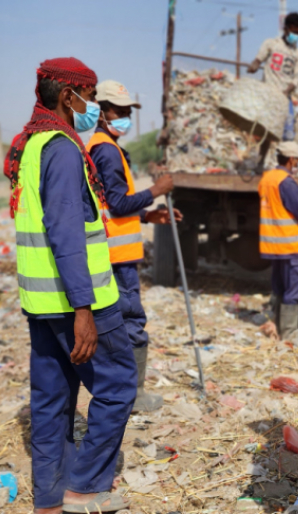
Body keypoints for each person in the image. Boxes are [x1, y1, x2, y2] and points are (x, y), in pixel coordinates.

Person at [5, 58, 136, 514]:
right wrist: (83, 308)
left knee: (51, 402)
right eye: (91, 95)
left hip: (41, 302)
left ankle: (50, 500)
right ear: (68, 96)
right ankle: (84, 487)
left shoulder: (33, 145)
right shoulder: (61, 148)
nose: (94, 106)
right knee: (117, 387)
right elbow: (64, 230)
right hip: (80, 302)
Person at [87, 80, 181, 413]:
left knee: (118, 323)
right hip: (118, 256)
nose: (125, 116)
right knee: (131, 323)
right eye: (119, 110)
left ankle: (121, 390)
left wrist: (148, 215)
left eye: (128, 111)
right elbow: (116, 203)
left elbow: (115, 204)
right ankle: (134, 395)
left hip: (114, 251)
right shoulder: (106, 149)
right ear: (101, 112)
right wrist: (157, 190)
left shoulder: (104, 146)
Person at [258, 141, 298, 336]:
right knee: (293, 290)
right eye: (297, 161)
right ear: (291, 160)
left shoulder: (267, 178)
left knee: (280, 288)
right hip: (291, 245)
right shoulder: (287, 182)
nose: (297, 165)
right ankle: (290, 333)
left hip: (274, 245)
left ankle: (278, 327)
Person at [248, 12, 298, 141]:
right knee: (265, 130)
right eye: (293, 32)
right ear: (285, 28)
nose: (295, 36)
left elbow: (297, 77)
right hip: (268, 93)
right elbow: (259, 58)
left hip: (285, 96)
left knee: (288, 131)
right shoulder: (271, 43)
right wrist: (255, 65)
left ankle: (284, 159)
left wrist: (286, 91)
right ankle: (261, 159)